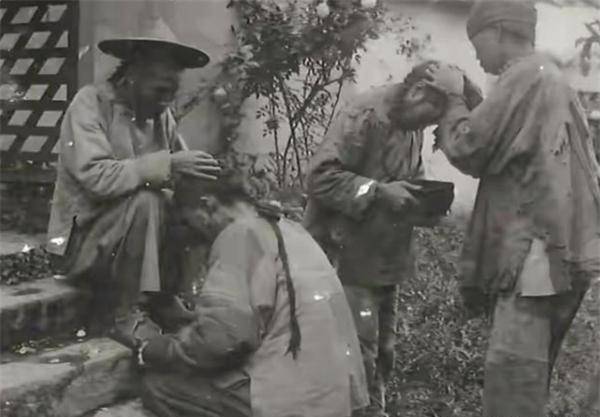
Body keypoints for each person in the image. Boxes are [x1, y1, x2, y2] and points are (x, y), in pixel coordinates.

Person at [424, 2, 600, 416]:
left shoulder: (525, 75)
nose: (477, 56)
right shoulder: (547, 77)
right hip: (560, 252)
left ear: (500, 31)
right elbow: (507, 134)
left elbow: (471, 147)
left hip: (533, 259)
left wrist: (453, 97)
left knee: (513, 376)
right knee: (530, 373)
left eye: (478, 44)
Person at [110, 168, 369, 417]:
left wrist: (158, 350)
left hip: (297, 402)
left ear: (208, 205)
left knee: (159, 385)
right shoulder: (290, 229)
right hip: (338, 395)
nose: (195, 236)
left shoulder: (239, 235)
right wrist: (193, 322)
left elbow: (223, 340)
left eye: (189, 222)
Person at [303, 61, 482, 417]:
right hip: (343, 258)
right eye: (434, 114)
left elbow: (407, 178)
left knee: (382, 351)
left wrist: (422, 204)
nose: (431, 126)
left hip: (383, 258)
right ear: (418, 92)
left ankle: (373, 409)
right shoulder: (365, 115)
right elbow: (319, 178)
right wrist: (377, 191)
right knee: (355, 352)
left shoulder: (410, 121)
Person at [45, 17, 221, 330]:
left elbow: (180, 170)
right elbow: (97, 177)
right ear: (132, 77)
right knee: (148, 201)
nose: (166, 101)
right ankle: (126, 311)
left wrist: (202, 186)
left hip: (133, 241)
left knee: (193, 209)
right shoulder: (90, 104)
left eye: (172, 92)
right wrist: (169, 165)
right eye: (160, 90)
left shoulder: (160, 115)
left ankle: (165, 298)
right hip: (83, 245)